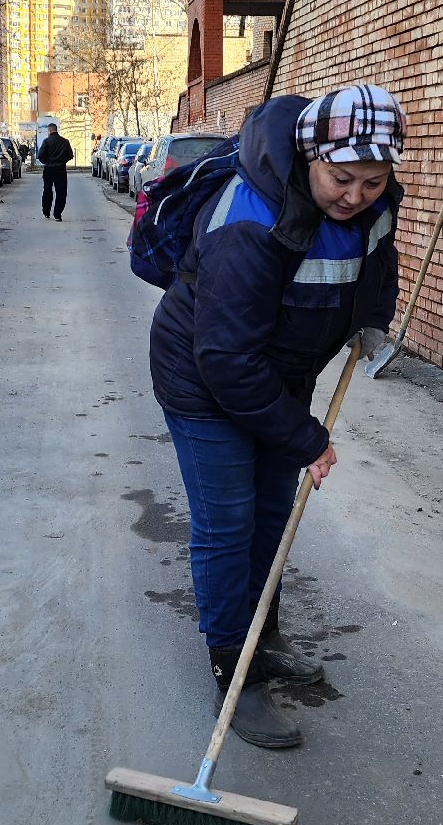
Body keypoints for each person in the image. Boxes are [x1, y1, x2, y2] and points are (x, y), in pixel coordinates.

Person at [147, 85, 405, 749]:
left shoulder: (376, 203)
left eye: (372, 181)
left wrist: (373, 320)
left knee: (271, 513)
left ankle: (263, 637)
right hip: (204, 379)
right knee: (229, 521)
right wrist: (307, 438)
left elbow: (378, 261)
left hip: (279, 376)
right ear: (309, 157)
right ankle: (233, 669)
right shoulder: (248, 220)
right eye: (340, 178)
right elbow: (227, 358)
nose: (355, 195)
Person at [35, 124, 74, 220]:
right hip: (61, 169)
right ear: (56, 130)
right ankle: (57, 213)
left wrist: (46, 162)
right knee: (61, 192)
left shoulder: (46, 142)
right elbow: (70, 155)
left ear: (49, 131)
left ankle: (46, 211)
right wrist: (62, 161)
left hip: (48, 169)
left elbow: (40, 155)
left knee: (47, 190)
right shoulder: (65, 142)